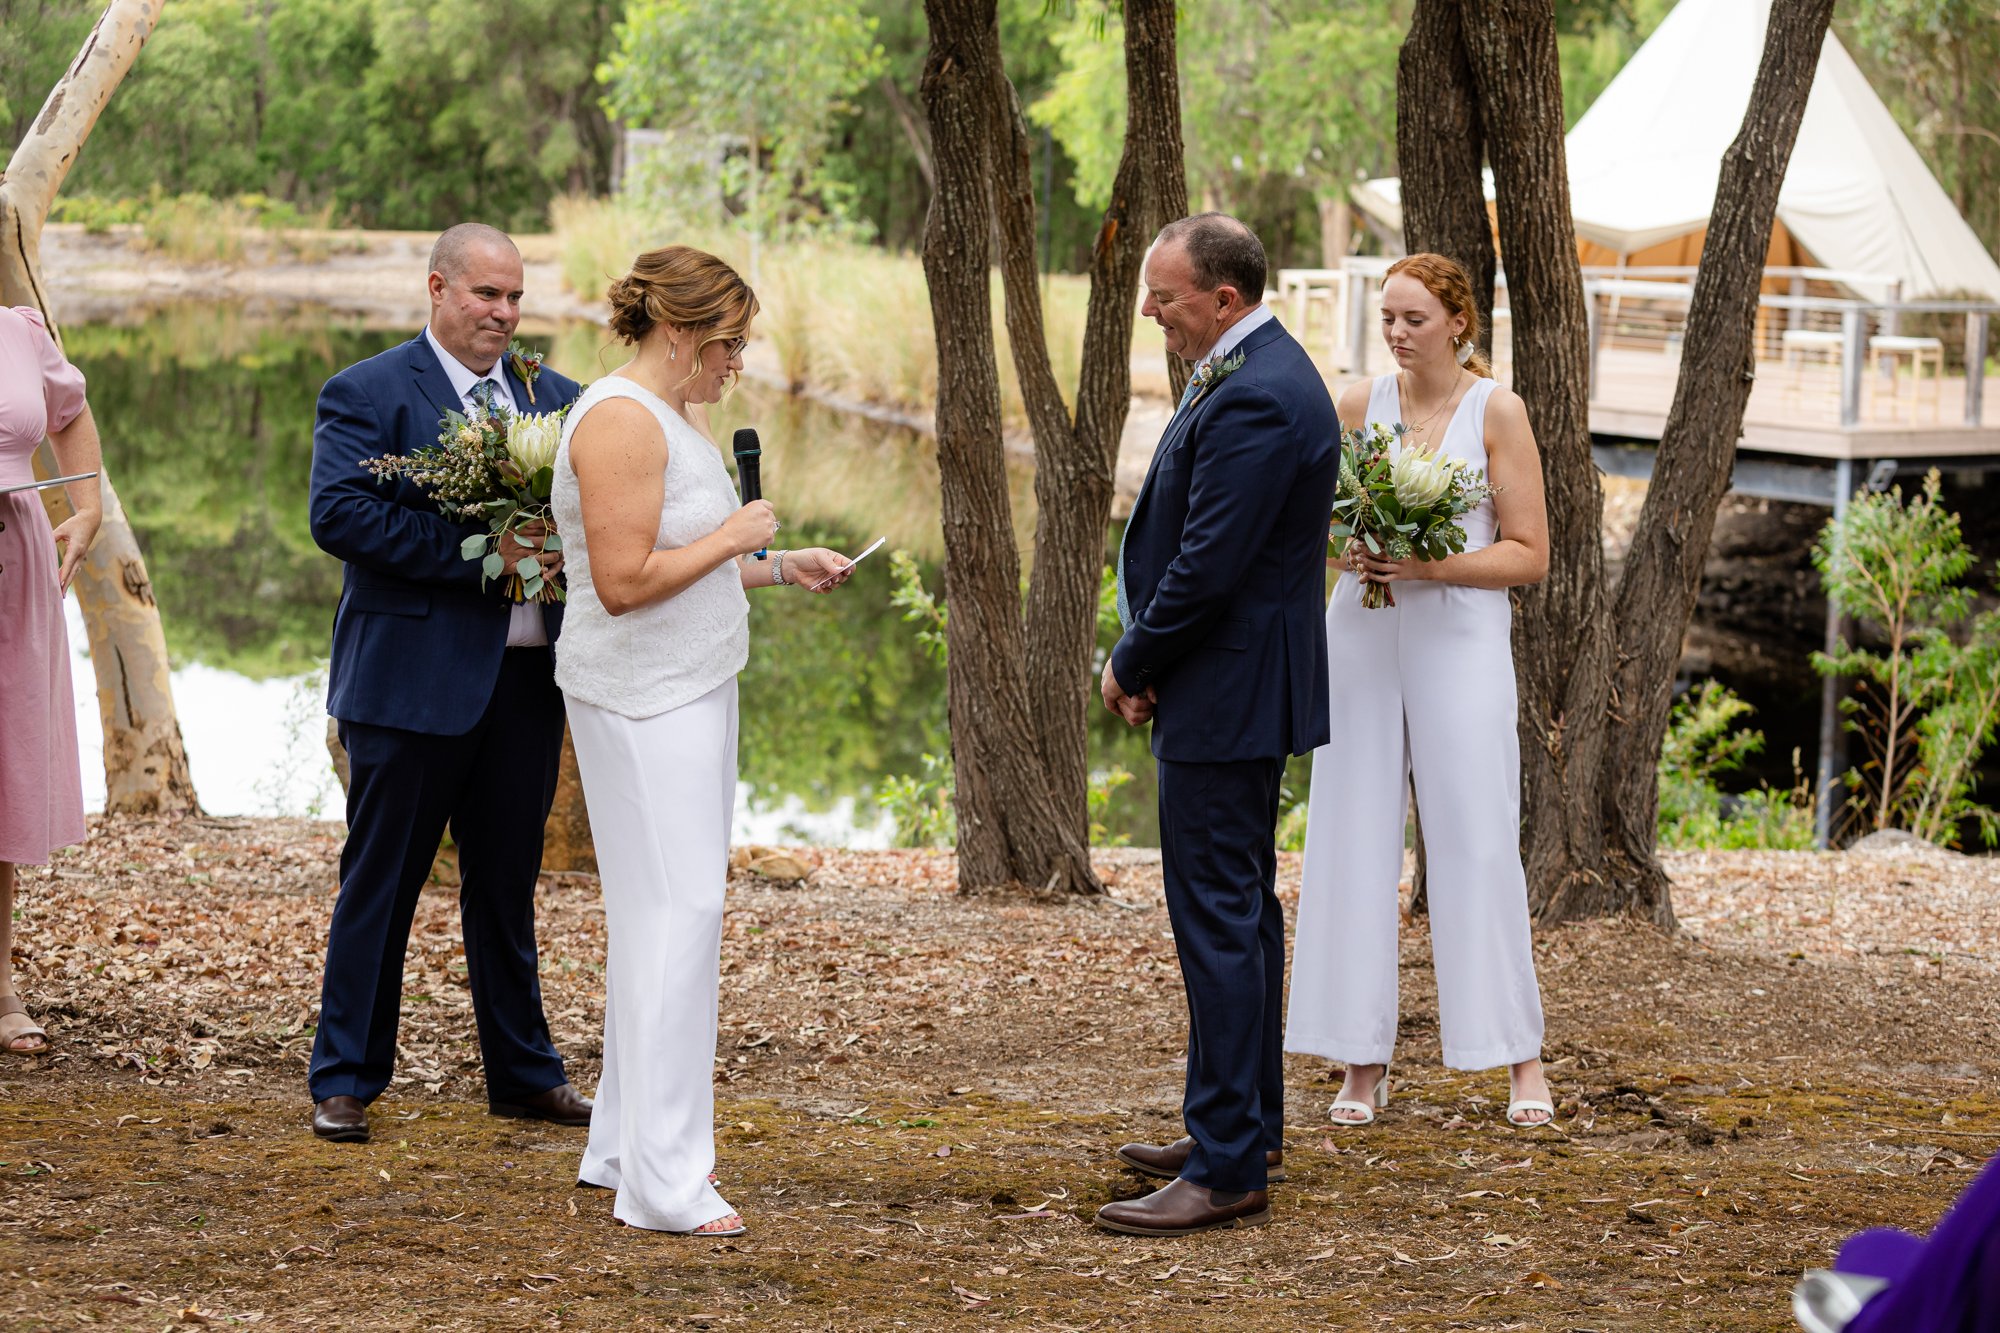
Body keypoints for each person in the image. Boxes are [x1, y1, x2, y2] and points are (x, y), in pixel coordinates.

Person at [553, 245, 853, 1237]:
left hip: (689, 686)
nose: (738, 362)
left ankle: (621, 1145)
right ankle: (666, 1183)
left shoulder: (675, 420)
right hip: (642, 701)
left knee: (660, 918)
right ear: (678, 332)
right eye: (728, 343)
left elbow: (685, 566)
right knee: (682, 913)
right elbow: (625, 582)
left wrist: (776, 566)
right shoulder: (617, 422)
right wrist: (733, 537)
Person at [304, 223, 591, 1143]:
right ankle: (345, 1077)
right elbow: (338, 513)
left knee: (506, 886)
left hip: (524, 685)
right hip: (409, 683)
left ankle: (522, 1073)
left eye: (515, 298)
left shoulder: (557, 396)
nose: (504, 315)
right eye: (486, 296)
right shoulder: (369, 390)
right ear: (438, 289)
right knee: (379, 884)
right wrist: (479, 557)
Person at [1095, 214, 1337, 1237]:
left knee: (1217, 920)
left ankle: (1229, 1162)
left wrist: (1134, 658)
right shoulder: (1258, 366)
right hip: (1235, 683)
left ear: (1223, 299)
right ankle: (1239, 1125)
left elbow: (1205, 564)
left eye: (1165, 296)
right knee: (1239, 914)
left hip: (1225, 686)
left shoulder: (1259, 396)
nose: (1151, 311)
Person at [1284, 251, 1555, 1130]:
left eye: (1414, 320)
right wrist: (1352, 551)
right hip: (1362, 633)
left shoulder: (1497, 411)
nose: (1398, 335)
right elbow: (1311, 522)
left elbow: (1529, 553)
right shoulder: (1359, 405)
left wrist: (1431, 561)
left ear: (1459, 323)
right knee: (1352, 835)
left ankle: (1519, 1057)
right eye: (1389, 320)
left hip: (1461, 640)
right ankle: (1360, 1059)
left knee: (1476, 838)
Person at [0, 305, 102, 1055]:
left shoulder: (19, 331)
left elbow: (70, 411)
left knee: (3, 769)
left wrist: (88, 505)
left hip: (13, 557)